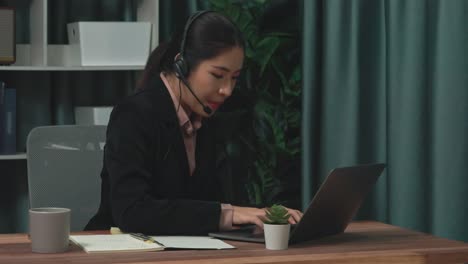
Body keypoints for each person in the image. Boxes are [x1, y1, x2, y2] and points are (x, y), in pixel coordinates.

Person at [85, 11, 302, 235]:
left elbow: (211, 204)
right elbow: (133, 212)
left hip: (186, 251)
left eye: (235, 77)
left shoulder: (206, 117)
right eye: (218, 75)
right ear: (181, 66)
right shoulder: (133, 114)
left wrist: (265, 216)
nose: (226, 90)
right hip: (120, 250)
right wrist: (228, 214)